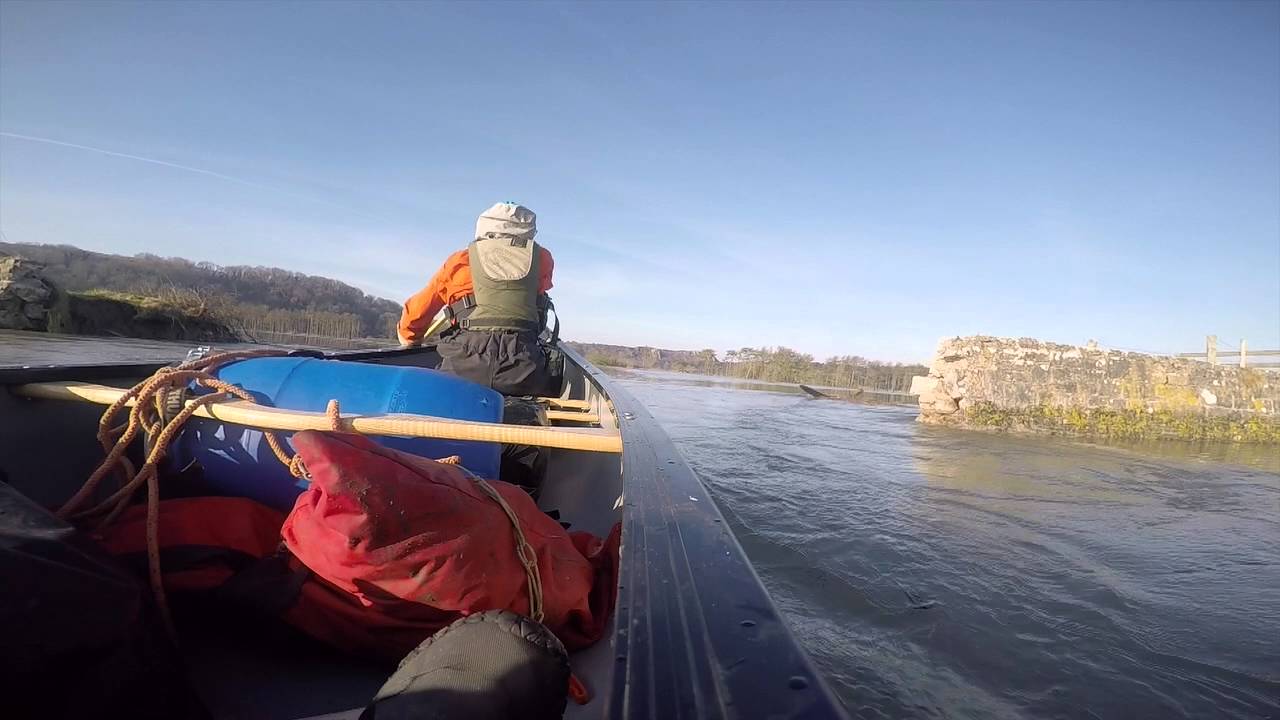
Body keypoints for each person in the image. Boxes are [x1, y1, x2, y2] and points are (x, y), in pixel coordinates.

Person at [398, 202, 557, 397]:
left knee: (440, 397)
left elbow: (418, 311)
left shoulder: (460, 260)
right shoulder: (543, 259)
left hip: (462, 363)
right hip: (524, 364)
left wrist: (410, 336)